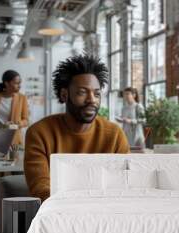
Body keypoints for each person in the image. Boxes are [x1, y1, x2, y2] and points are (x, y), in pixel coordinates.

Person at [24, 54, 130, 201]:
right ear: (64, 95)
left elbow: (124, 185)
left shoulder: (114, 135)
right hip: (57, 216)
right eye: (82, 92)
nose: (91, 100)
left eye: (97, 94)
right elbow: (40, 188)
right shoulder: (40, 133)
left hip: (106, 215)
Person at [0, 70, 28, 145]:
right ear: (6, 83)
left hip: (14, 139)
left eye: (20, 83)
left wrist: (16, 125)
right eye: (16, 83)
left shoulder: (22, 98)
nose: (19, 86)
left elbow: (26, 120)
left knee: (15, 157)